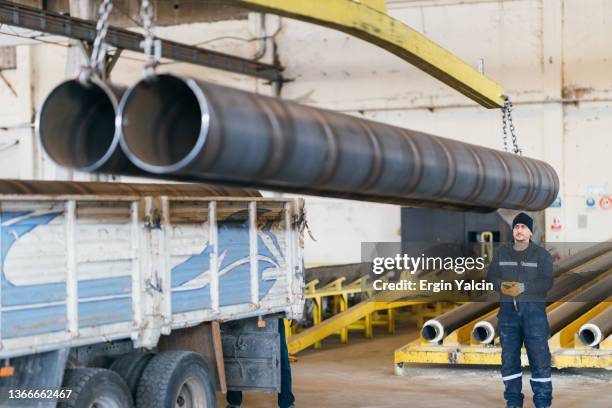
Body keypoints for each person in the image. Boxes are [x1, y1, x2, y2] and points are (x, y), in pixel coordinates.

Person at [486, 212, 554, 408]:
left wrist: (524, 287)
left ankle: (542, 401)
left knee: (540, 360)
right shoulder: (501, 253)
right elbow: (491, 278)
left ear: (530, 232)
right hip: (508, 316)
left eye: (523, 227)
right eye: (516, 227)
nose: (519, 230)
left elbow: (547, 282)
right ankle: (513, 401)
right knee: (509, 361)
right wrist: (502, 286)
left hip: (534, 317)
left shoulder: (542, 255)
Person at [227, 318, 295, 408]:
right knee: (234, 355)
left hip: (273, 313)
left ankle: (286, 403)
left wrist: (295, 314)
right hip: (241, 313)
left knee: (281, 358)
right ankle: (233, 402)